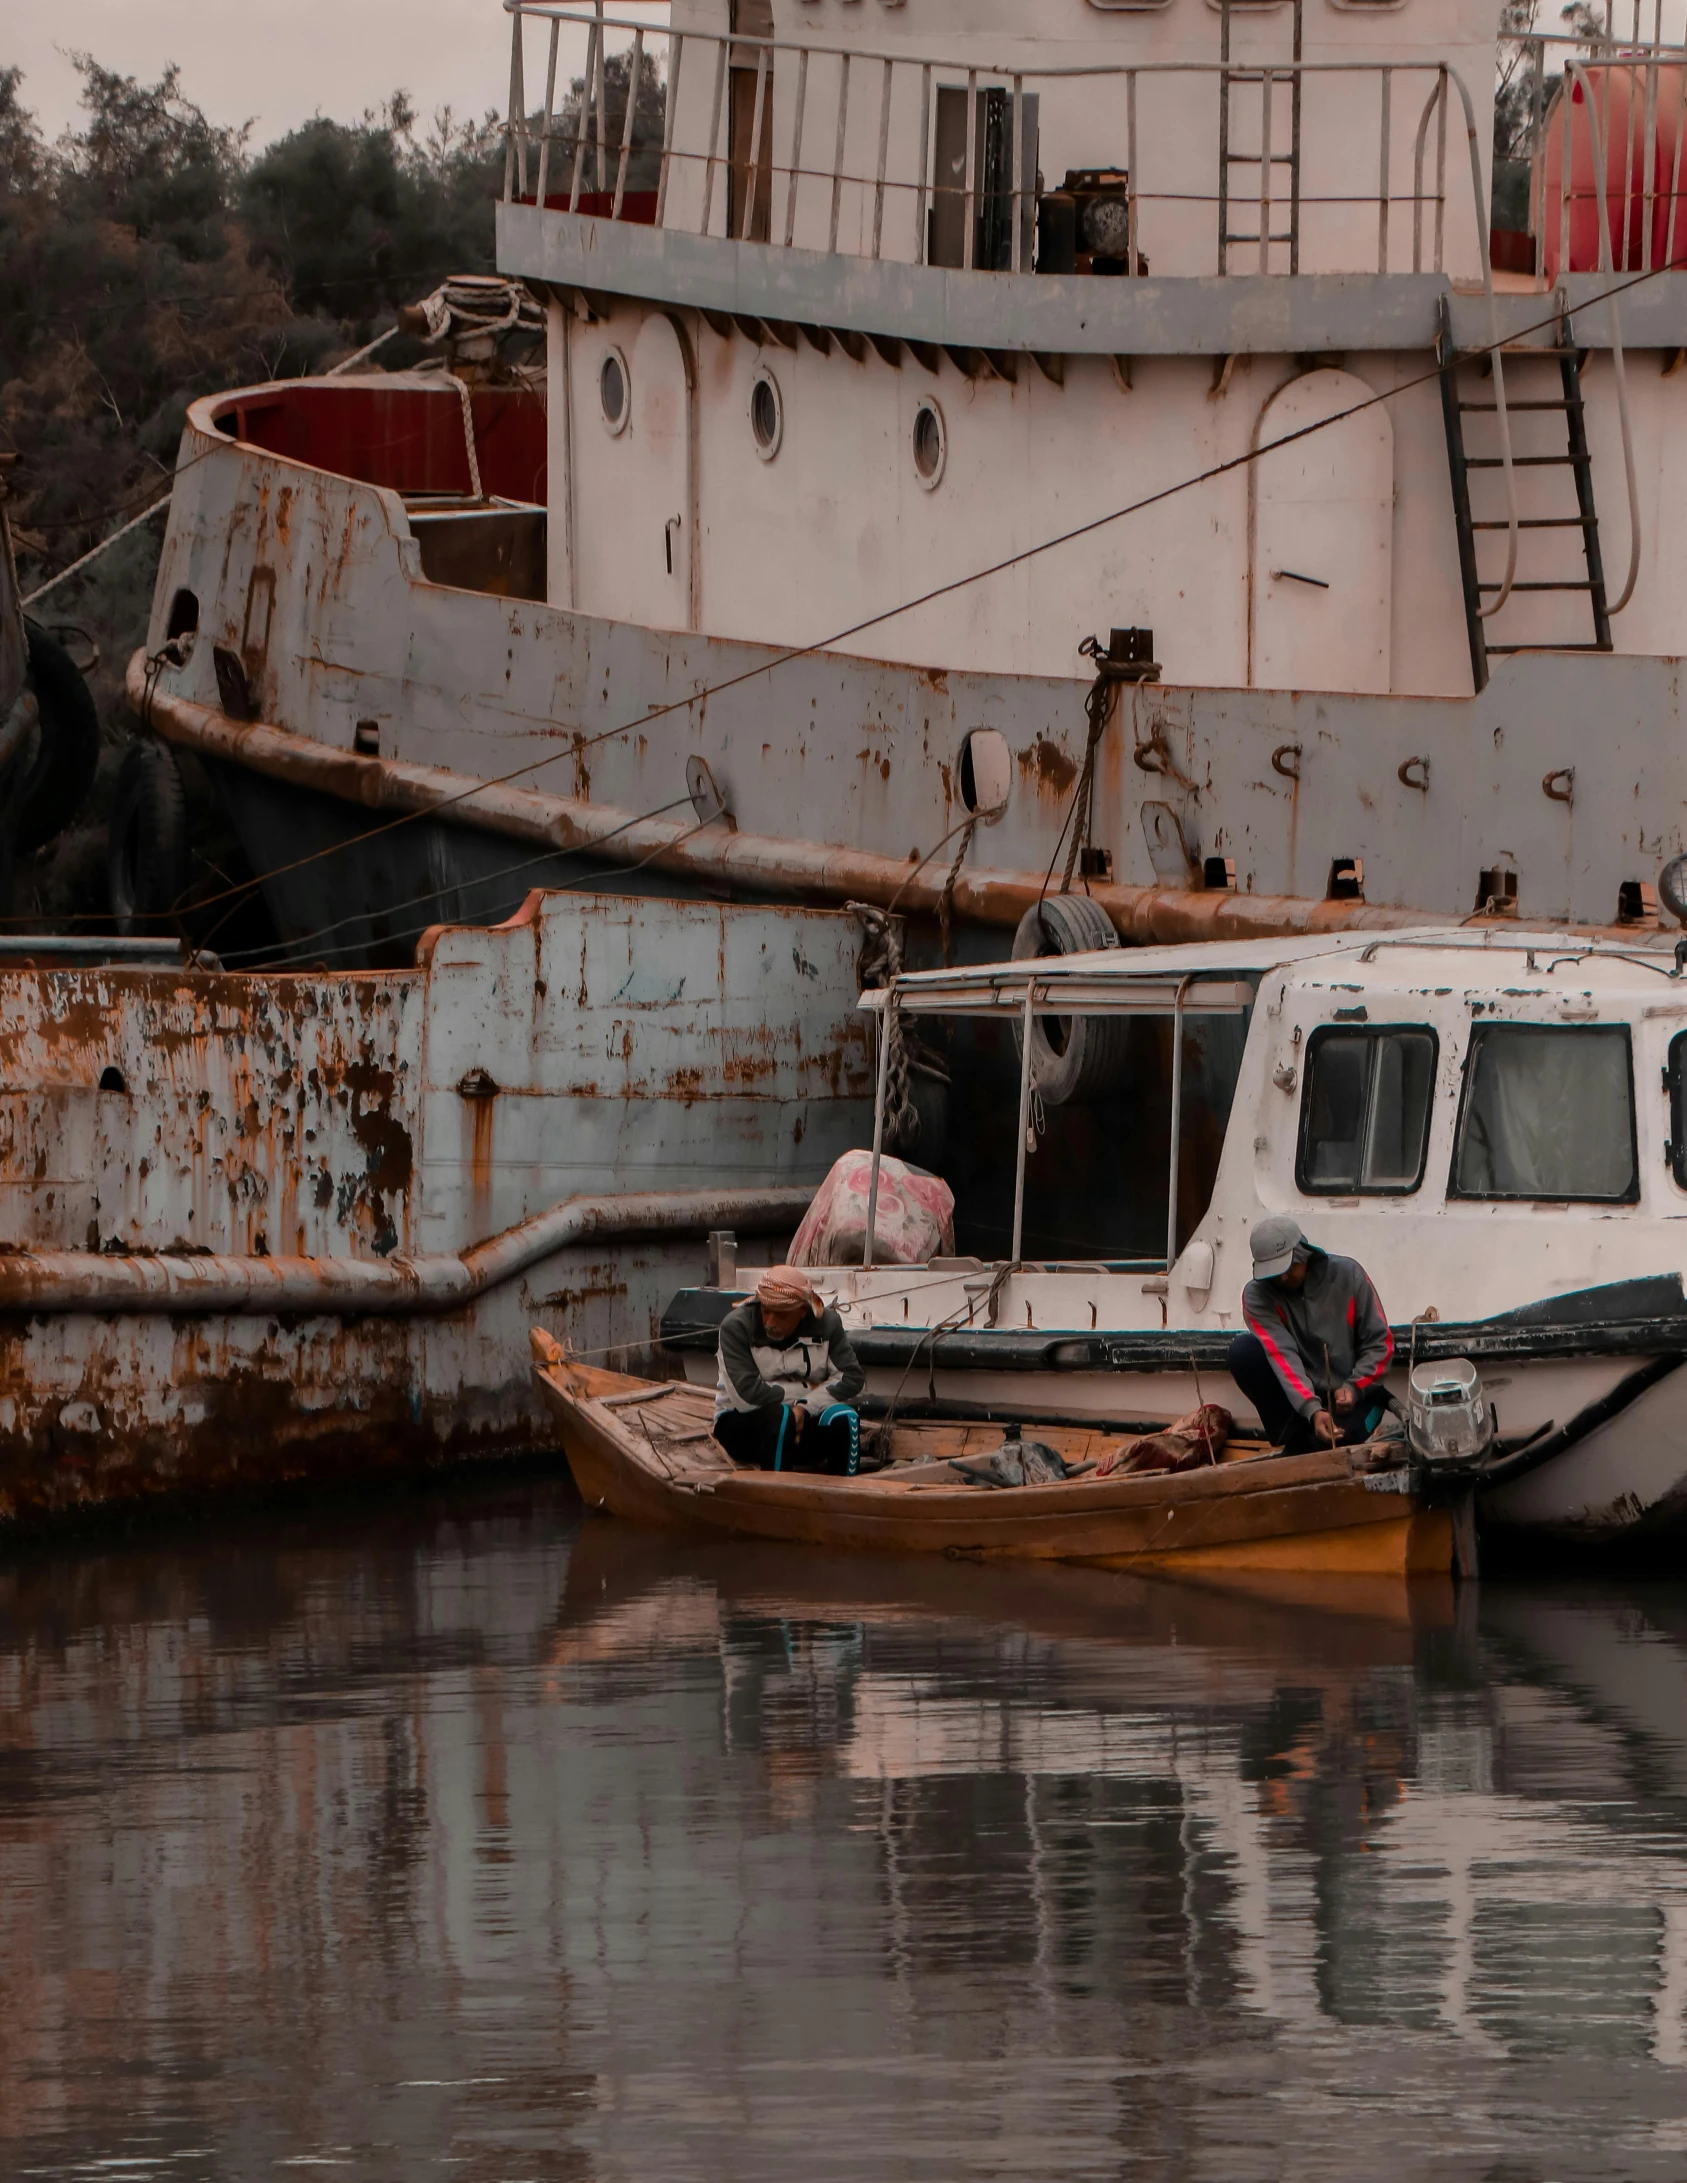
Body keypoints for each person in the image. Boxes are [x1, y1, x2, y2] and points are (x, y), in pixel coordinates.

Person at [1227, 1215, 1394, 1455]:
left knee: (1337, 1444)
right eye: (1273, 1273)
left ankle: (1308, 1443)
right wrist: (1312, 1409)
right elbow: (1282, 1355)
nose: (1282, 1278)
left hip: (1359, 1394)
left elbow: (1380, 1345)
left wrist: (1354, 1387)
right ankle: (1298, 1436)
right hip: (1302, 1401)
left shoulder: (1349, 1274)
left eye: (1287, 1268)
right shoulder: (1257, 1296)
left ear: (1303, 1252)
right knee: (1243, 1352)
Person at [713, 1265, 866, 1476]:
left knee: (845, 1418)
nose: (770, 1323)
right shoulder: (736, 1327)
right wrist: (805, 1389)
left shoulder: (828, 1324)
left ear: (803, 1311)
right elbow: (747, 1397)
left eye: (780, 1315)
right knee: (781, 1417)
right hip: (742, 1424)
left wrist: (804, 1407)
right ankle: (776, 1494)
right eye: (765, 1312)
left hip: (805, 1421)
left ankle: (848, 1496)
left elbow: (851, 1378)